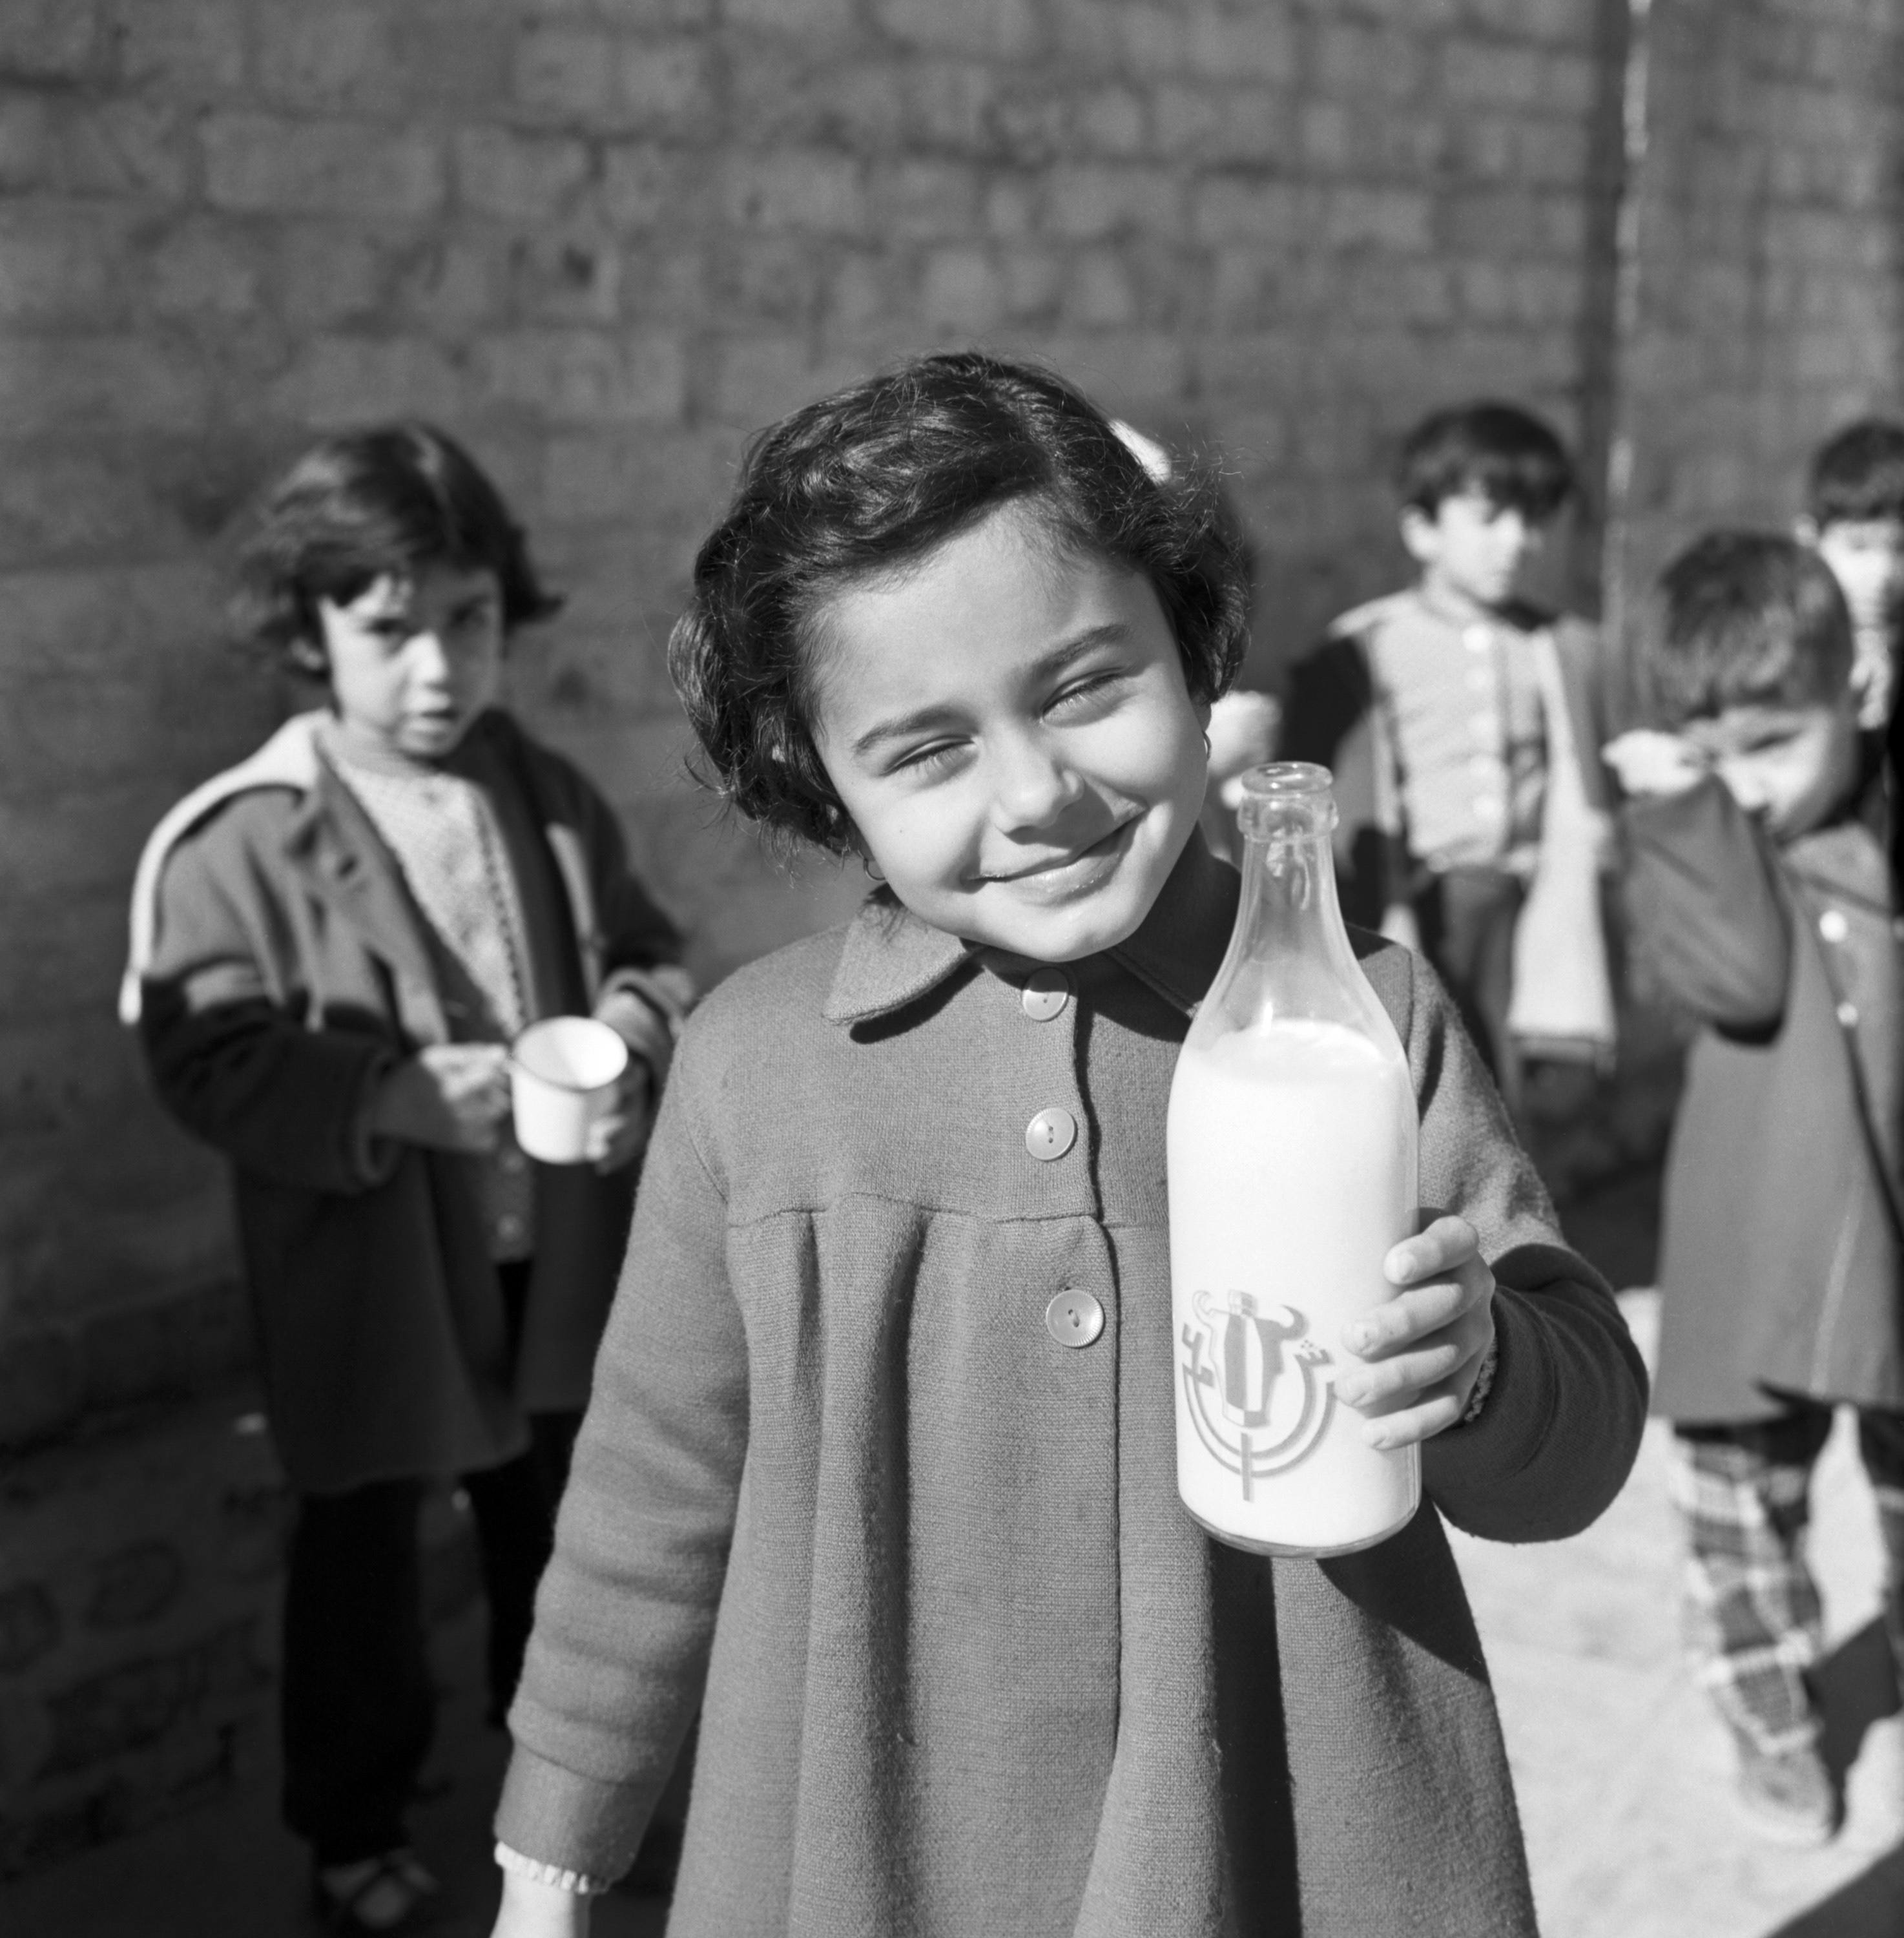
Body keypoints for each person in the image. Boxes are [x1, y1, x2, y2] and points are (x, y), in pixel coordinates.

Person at [486, 352, 1648, 1938]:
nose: (1036, 793)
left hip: (1291, 1833)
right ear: (812, 778)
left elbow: (1572, 1440)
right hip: (863, 1851)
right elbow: (653, 1483)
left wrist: (1487, 1360)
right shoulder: (760, 1069)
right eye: (925, 748)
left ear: (1192, 649)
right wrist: (550, 1860)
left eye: (1087, 682)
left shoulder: (1355, 1021)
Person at [121, 425, 692, 1932]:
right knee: (364, 1564)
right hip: (372, 1274)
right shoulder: (242, 837)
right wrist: (381, 1095)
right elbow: (207, 1055)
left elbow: (647, 951)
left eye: (470, 621)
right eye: (392, 631)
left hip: (551, 1261)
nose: (438, 665)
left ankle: (561, 1822)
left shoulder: (546, 791)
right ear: (309, 632)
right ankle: (353, 1824)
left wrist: (632, 1039)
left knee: (565, 1550)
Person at [1604, 531, 1904, 1846]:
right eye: (1712, 758)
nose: (1749, 789)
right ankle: (1773, 1733)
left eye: (1773, 748)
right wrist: (1679, 809)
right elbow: (1736, 976)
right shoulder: (1697, 850)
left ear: (1861, 698)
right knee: (1741, 1523)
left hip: (1884, 1243)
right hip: (1755, 1242)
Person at [1279, 402, 1616, 1111]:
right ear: (1421, 529)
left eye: (1533, 520)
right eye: (1490, 518)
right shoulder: (1364, 649)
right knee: (1422, 1086)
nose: (1516, 543)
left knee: (1511, 1095)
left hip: (1525, 910)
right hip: (1420, 907)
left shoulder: (1562, 649)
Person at [1797, 418, 1904, 736]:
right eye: (1859, 547)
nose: (1883, 572)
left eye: (1901, 549)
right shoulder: (1782, 656)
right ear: (1809, 540)